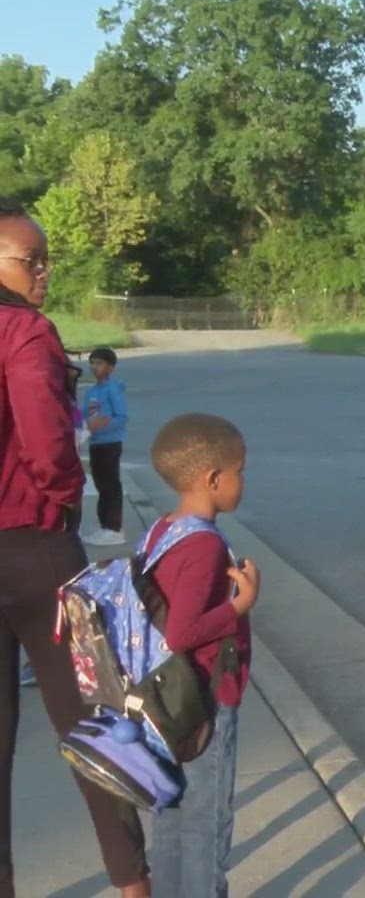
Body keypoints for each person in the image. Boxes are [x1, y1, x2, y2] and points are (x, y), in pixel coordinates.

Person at [0, 201, 152, 897]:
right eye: (30, 261)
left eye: (43, 259)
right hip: (37, 549)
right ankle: (132, 883)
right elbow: (46, 434)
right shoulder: (25, 332)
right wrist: (60, 497)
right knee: (96, 724)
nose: (43, 273)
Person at [143, 412, 260, 898]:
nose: (244, 480)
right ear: (214, 479)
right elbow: (183, 631)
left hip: (165, 700)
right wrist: (241, 605)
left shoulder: (162, 530)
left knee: (170, 814)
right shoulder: (204, 546)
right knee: (206, 822)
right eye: (240, 471)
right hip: (204, 701)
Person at [82, 347, 127, 547]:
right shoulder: (92, 390)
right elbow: (83, 414)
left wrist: (102, 425)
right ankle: (105, 527)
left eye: (99, 363)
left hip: (110, 443)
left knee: (110, 486)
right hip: (95, 443)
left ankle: (114, 529)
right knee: (101, 485)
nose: (94, 367)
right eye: (92, 362)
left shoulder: (112, 389)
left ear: (111, 367)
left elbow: (121, 417)